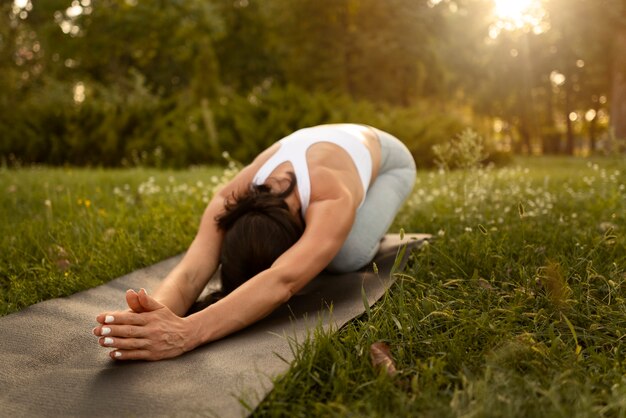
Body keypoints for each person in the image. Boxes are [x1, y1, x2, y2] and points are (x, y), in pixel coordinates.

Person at [93, 123, 416, 361]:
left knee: (344, 256)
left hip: (390, 159)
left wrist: (185, 333)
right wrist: (149, 317)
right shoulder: (229, 198)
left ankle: (327, 238)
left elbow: (282, 281)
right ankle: (318, 242)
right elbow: (191, 272)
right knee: (322, 252)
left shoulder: (332, 195)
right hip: (324, 141)